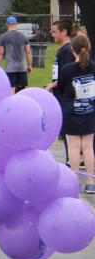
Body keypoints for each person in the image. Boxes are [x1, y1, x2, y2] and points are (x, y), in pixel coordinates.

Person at [56, 34, 95, 194]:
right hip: (90, 111)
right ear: (89, 48)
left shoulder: (67, 69)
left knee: (73, 147)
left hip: (71, 112)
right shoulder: (93, 67)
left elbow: (61, 88)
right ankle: (91, 183)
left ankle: (75, 182)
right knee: (88, 147)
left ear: (72, 50)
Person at [46, 20, 74, 163]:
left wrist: (53, 84)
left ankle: (71, 160)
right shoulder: (63, 49)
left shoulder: (67, 50)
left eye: (54, 31)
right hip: (60, 94)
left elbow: (67, 74)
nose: (52, 34)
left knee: (68, 131)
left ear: (64, 32)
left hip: (65, 96)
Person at [0, 16, 32, 93]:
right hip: (22, 67)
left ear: (7, 24)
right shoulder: (23, 36)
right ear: (16, 24)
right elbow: (28, 51)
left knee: (11, 88)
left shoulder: (3, 37)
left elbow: (0, 53)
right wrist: (29, 65)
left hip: (10, 68)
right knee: (22, 90)